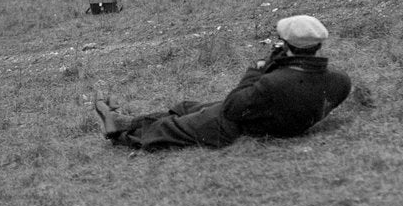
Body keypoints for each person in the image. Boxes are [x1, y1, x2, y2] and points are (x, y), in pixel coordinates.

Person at [94, 15, 351, 150]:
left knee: (171, 128)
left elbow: (232, 107)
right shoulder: (341, 81)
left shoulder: (273, 84)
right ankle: (124, 121)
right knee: (187, 107)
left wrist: (257, 69)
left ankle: (120, 134)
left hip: (239, 127)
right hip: (266, 115)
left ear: (288, 46)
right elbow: (298, 87)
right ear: (318, 45)